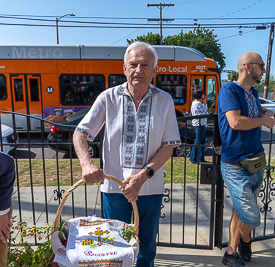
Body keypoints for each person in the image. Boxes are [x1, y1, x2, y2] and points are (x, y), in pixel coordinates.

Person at [73, 41, 181, 267]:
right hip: (114, 189)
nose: (138, 70)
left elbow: (169, 146)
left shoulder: (164, 100)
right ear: (124, 68)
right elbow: (80, 133)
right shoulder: (108, 98)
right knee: (114, 248)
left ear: (155, 70)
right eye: (133, 64)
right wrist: (86, 164)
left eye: (145, 65)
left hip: (150, 188)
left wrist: (142, 177)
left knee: (146, 247)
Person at [218, 52, 275, 267]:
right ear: (248, 66)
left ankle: (231, 254)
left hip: (255, 161)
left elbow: (253, 108)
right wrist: (264, 121)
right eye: (262, 66)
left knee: (240, 211)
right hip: (235, 164)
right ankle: (246, 238)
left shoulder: (253, 92)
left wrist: (266, 110)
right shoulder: (229, 89)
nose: (264, 71)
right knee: (251, 217)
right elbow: (235, 121)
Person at [189, 88, 208, 164]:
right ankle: (193, 158)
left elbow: (205, 109)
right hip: (199, 124)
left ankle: (201, 158)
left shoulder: (197, 103)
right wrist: (208, 114)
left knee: (201, 142)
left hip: (201, 123)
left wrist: (204, 102)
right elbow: (203, 113)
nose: (204, 95)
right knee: (198, 141)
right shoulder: (197, 104)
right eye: (203, 94)